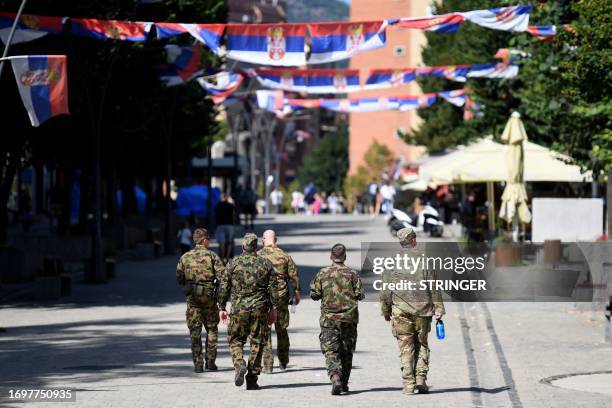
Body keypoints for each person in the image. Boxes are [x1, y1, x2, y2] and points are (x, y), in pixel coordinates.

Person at [379, 227, 445, 395]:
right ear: (414, 240)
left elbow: (385, 290)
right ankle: (421, 378)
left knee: (406, 346)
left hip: (401, 311)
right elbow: (434, 287)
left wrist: (386, 310)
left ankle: (408, 384)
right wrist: (439, 308)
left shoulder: (391, 262)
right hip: (423, 311)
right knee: (422, 344)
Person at [217, 233, 279, 390]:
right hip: (260, 308)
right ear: (256, 247)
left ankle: (239, 363)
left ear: (243, 246)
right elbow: (273, 288)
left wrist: (222, 307)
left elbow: (224, 287)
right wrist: (274, 308)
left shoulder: (233, 263)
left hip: (238, 308)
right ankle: (252, 379)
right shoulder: (265, 263)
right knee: (257, 342)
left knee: (235, 340)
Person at [310, 243, 365, 395]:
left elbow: (314, 294)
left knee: (331, 350)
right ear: (345, 257)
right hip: (349, 318)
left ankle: (335, 377)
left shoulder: (323, 273)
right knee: (347, 350)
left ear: (331, 257)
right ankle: (344, 383)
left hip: (329, 318)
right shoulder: (352, 274)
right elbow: (360, 294)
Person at [176, 228, 224, 373]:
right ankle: (210, 362)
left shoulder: (185, 257)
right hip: (209, 299)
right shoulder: (212, 256)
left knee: (195, 332)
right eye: (208, 239)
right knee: (212, 329)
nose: (209, 241)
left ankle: (198, 363)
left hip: (193, 300)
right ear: (204, 240)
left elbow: (179, 276)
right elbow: (223, 276)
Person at [258, 229, 300, 373]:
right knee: (281, 329)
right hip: (281, 296)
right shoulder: (284, 256)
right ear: (276, 240)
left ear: (263, 240)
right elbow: (294, 276)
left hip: (263, 297)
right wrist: (297, 292)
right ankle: (283, 361)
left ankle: (268, 365)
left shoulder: (258, 256)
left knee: (265, 330)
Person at [215, 194, 237, 263]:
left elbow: (215, 216)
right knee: (229, 242)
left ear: (221, 198)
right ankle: (227, 258)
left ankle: (222, 259)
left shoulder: (218, 205)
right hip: (230, 225)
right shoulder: (231, 206)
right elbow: (234, 215)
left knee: (222, 242)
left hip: (220, 225)